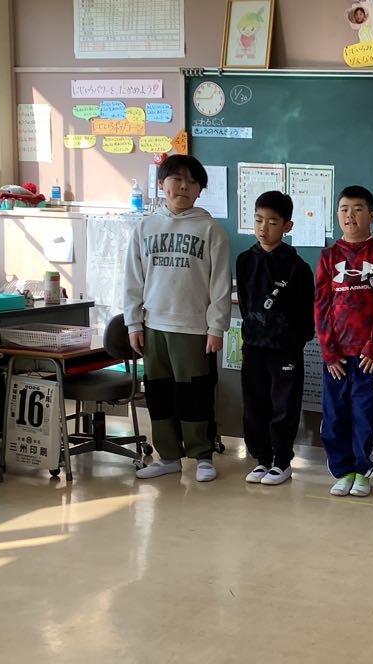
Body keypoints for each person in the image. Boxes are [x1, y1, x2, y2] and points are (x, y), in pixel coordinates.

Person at [124, 154, 231, 482]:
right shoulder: (145, 227)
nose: (183, 186)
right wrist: (133, 323)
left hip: (193, 328)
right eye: (177, 179)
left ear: (200, 190)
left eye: (192, 181)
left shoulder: (210, 230)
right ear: (162, 184)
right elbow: (133, 280)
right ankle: (168, 456)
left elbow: (220, 284)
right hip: (153, 325)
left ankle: (202, 455)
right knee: (159, 393)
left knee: (195, 393)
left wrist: (216, 327)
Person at [315, 185, 373, 497]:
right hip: (336, 357)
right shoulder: (328, 256)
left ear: (371, 215)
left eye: (358, 209)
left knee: (366, 415)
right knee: (335, 416)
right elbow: (321, 305)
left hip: (369, 356)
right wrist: (328, 351)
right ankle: (343, 471)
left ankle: (364, 472)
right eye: (344, 209)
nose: (350, 215)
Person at [237, 191, 315, 486]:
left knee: (283, 405)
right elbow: (245, 304)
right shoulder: (245, 260)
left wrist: (293, 341)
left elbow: (305, 313)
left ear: (287, 226)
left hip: (285, 348)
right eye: (258, 220)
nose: (263, 228)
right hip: (254, 346)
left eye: (271, 222)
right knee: (255, 404)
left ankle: (282, 462)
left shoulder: (298, 267)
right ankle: (261, 459)